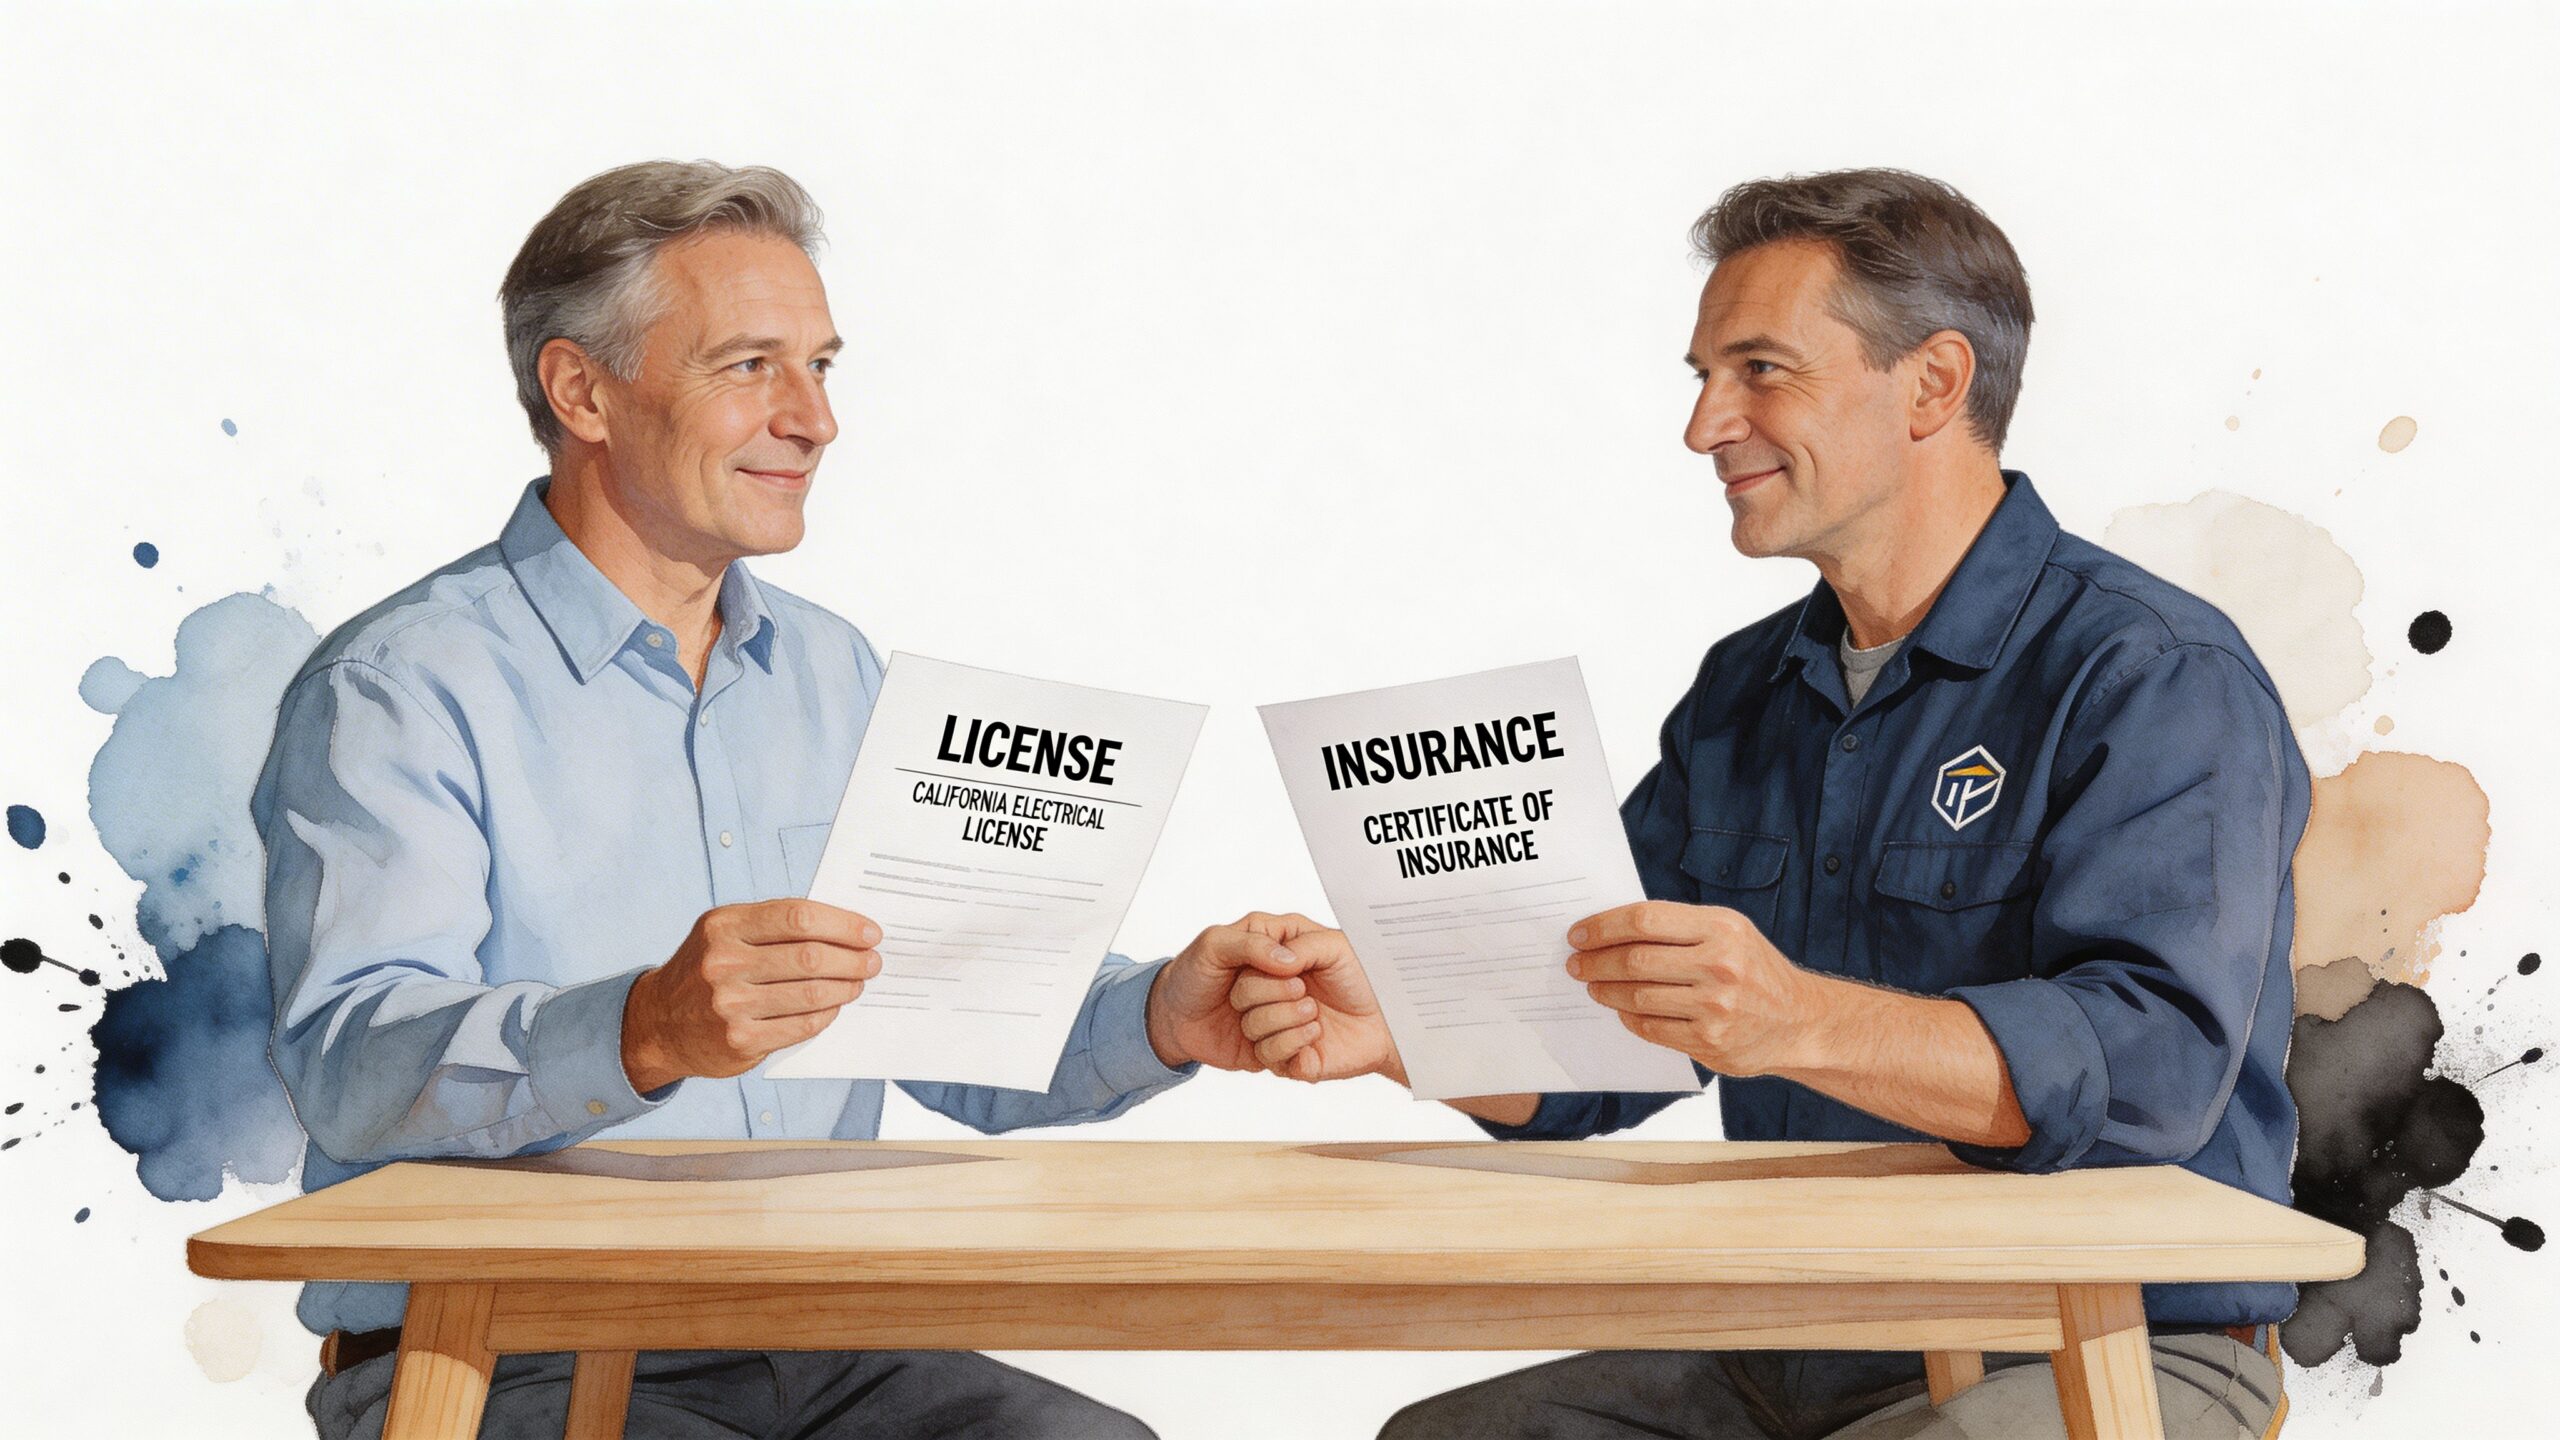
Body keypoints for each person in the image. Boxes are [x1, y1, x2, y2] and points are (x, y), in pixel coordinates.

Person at [1235, 168, 2307, 1439]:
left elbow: (2152, 1069)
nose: (1705, 427)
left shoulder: (2151, 676)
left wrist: (1798, 1020)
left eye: (1758, 371)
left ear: (1934, 383)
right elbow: (1616, 1040)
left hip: (2099, 1337)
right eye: (1700, 377)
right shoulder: (1744, 693)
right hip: (1799, 1335)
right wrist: (1413, 1025)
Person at [254, 159, 1302, 1440]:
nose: (814, 419)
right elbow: (353, 1067)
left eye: (821, 366)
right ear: (582, 389)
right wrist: (643, 1029)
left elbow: (943, 1022)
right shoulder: (400, 687)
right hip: (509, 1352)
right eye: (751, 365)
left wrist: (1163, 1015)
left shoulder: (833, 669)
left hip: (828, 1341)